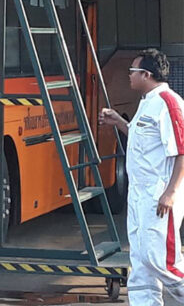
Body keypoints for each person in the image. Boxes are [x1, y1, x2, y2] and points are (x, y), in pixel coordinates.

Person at [99, 48, 184, 305]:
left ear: (146, 74)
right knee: (142, 264)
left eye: (132, 72)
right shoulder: (147, 102)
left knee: (162, 261)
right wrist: (120, 123)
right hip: (140, 197)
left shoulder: (169, 103)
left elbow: (182, 151)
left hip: (159, 197)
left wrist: (169, 193)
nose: (128, 76)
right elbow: (143, 142)